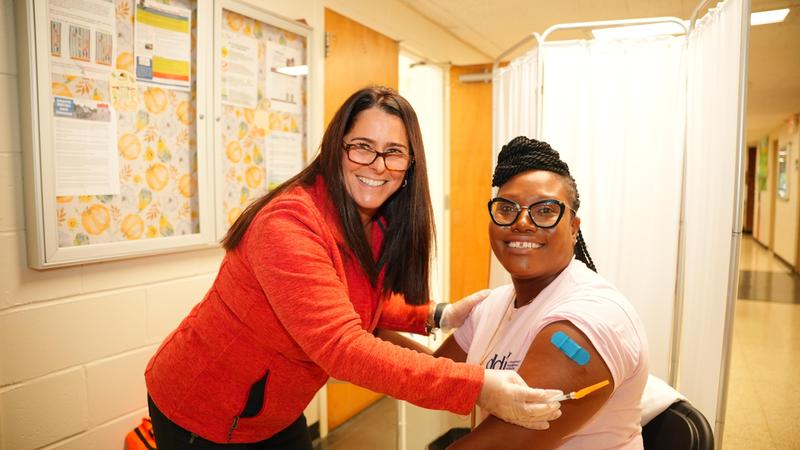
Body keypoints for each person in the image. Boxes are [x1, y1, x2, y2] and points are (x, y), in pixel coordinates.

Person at [145, 88, 562, 449]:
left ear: (410, 164)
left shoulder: (374, 219)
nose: (377, 165)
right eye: (362, 146)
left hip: (274, 410)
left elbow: (355, 300)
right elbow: (343, 347)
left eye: (394, 152)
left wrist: (436, 315)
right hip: (204, 411)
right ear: (337, 148)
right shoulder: (287, 226)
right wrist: (477, 388)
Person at [435, 136, 649, 449]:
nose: (522, 222)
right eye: (507, 208)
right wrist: (370, 322)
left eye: (545, 210)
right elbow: (428, 376)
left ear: (573, 227)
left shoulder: (590, 319)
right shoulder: (493, 304)